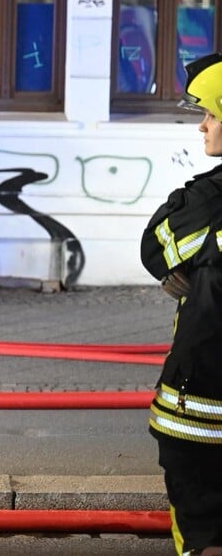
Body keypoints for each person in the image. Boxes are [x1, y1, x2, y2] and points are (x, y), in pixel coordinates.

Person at [142, 51, 222, 556]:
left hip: (202, 406)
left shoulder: (207, 202)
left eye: (211, 113)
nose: (203, 126)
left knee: (204, 532)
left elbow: (155, 247)